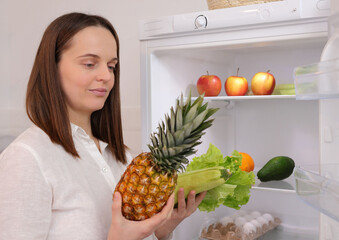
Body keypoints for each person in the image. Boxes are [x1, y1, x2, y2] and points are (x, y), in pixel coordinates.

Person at [0, 12, 206, 240]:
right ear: (52, 67)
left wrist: (161, 230)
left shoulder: (124, 158)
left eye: (111, 66)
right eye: (90, 64)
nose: (106, 76)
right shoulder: (26, 158)